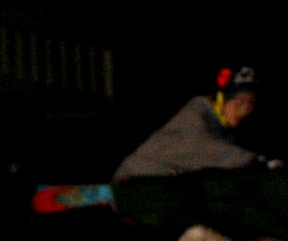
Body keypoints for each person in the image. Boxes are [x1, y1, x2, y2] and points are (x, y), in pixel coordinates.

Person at [114, 65, 275, 180]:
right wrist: (257, 162)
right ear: (220, 99)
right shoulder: (195, 116)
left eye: (251, 102)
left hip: (167, 187)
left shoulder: (225, 129)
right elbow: (207, 150)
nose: (245, 109)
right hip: (131, 182)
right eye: (239, 102)